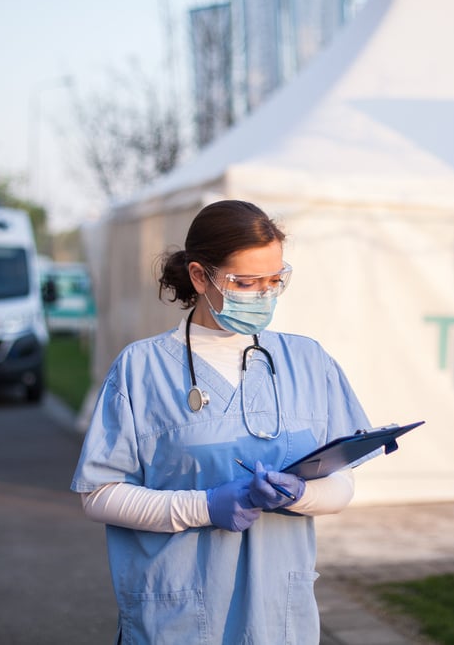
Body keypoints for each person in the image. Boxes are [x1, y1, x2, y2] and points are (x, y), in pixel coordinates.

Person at [71, 199, 371, 644]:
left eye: (274, 280)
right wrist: (205, 507)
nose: (264, 295)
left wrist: (302, 494)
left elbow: (342, 483)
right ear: (199, 276)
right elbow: (99, 495)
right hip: (179, 614)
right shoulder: (141, 369)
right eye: (246, 283)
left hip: (277, 618)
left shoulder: (309, 362)